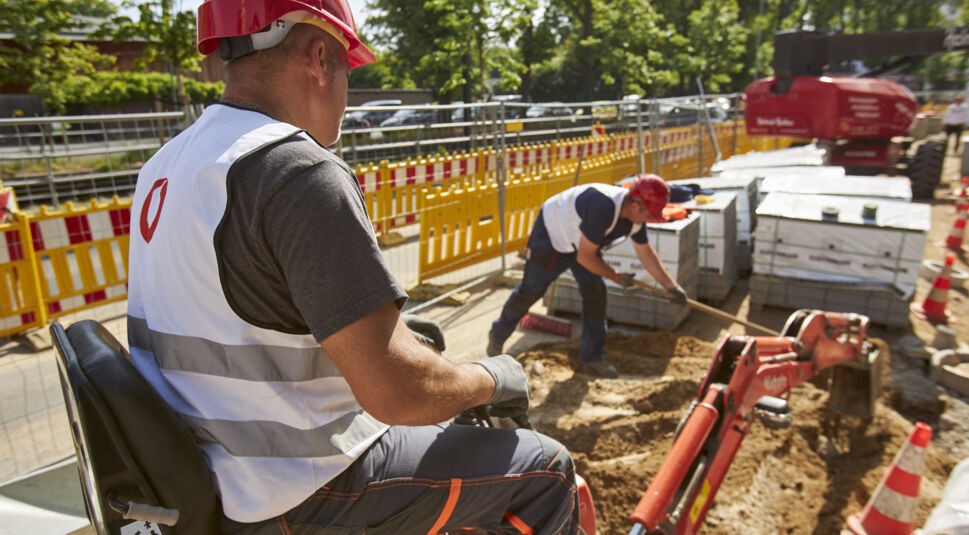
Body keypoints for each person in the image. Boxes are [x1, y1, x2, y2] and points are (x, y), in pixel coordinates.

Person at [125, 0, 578, 532]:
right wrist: (490, 377)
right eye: (349, 73)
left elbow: (240, 311)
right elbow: (398, 395)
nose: (347, 96)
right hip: (293, 487)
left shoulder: (166, 165)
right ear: (320, 58)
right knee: (546, 469)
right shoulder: (295, 169)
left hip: (203, 478)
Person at [487, 176, 687, 379]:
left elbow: (645, 253)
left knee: (595, 293)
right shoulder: (603, 207)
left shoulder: (634, 219)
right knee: (531, 290)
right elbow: (585, 257)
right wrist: (615, 276)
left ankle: (592, 356)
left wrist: (671, 286)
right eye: (649, 214)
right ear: (636, 205)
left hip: (583, 244)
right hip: (552, 236)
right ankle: (498, 334)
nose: (649, 219)